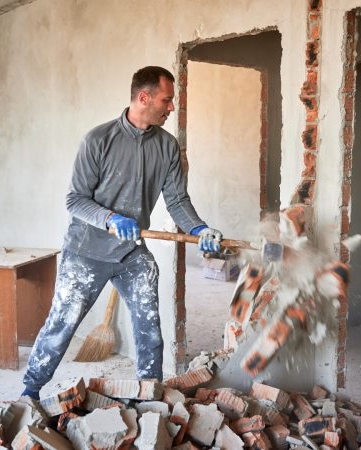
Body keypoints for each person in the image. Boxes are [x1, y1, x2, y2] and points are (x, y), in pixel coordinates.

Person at [21, 66, 222, 400]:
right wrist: (110, 218)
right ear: (144, 98)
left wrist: (199, 228)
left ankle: (150, 392)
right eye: (166, 100)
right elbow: (75, 199)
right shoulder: (98, 139)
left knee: (149, 325)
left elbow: (177, 200)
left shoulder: (168, 146)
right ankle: (30, 390)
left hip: (130, 253)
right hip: (87, 250)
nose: (171, 107)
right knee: (62, 323)